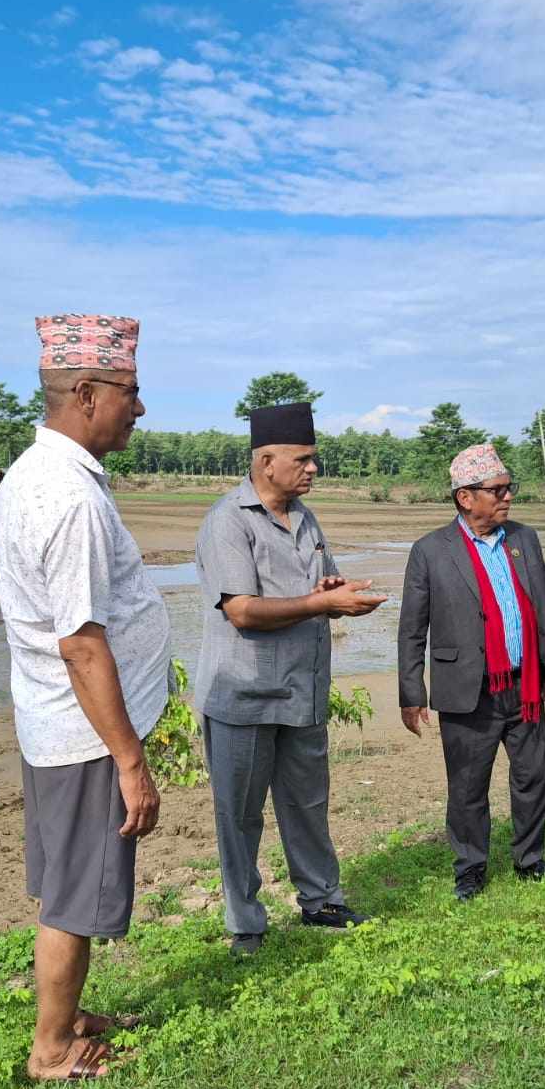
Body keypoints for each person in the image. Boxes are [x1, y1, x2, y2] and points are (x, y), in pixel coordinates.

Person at [0, 313, 169, 1080]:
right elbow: (81, 643)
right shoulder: (67, 497)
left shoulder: (41, 476)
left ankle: (65, 1017)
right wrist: (129, 759)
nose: (139, 407)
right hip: (85, 735)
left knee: (68, 881)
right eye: (131, 391)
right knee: (74, 895)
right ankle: (52, 1049)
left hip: (58, 725)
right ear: (88, 392)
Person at [194, 402, 382, 956]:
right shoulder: (228, 520)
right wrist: (322, 602)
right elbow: (243, 611)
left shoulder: (305, 517)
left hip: (302, 687)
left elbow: (308, 588)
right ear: (265, 461)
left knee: (307, 802)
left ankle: (321, 899)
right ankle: (246, 924)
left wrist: (331, 586)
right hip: (242, 694)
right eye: (302, 460)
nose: (312, 469)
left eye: (314, 460)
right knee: (240, 814)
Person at [397, 443, 545, 901]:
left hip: (525, 684)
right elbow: (412, 629)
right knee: (469, 786)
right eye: (497, 490)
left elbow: (544, 606)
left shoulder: (523, 539)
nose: (507, 497)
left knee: (534, 776)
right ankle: (471, 869)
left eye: (508, 488)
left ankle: (529, 860)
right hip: (467, 687)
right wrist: (410, 692)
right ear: (465, 496)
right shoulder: (431, 551)